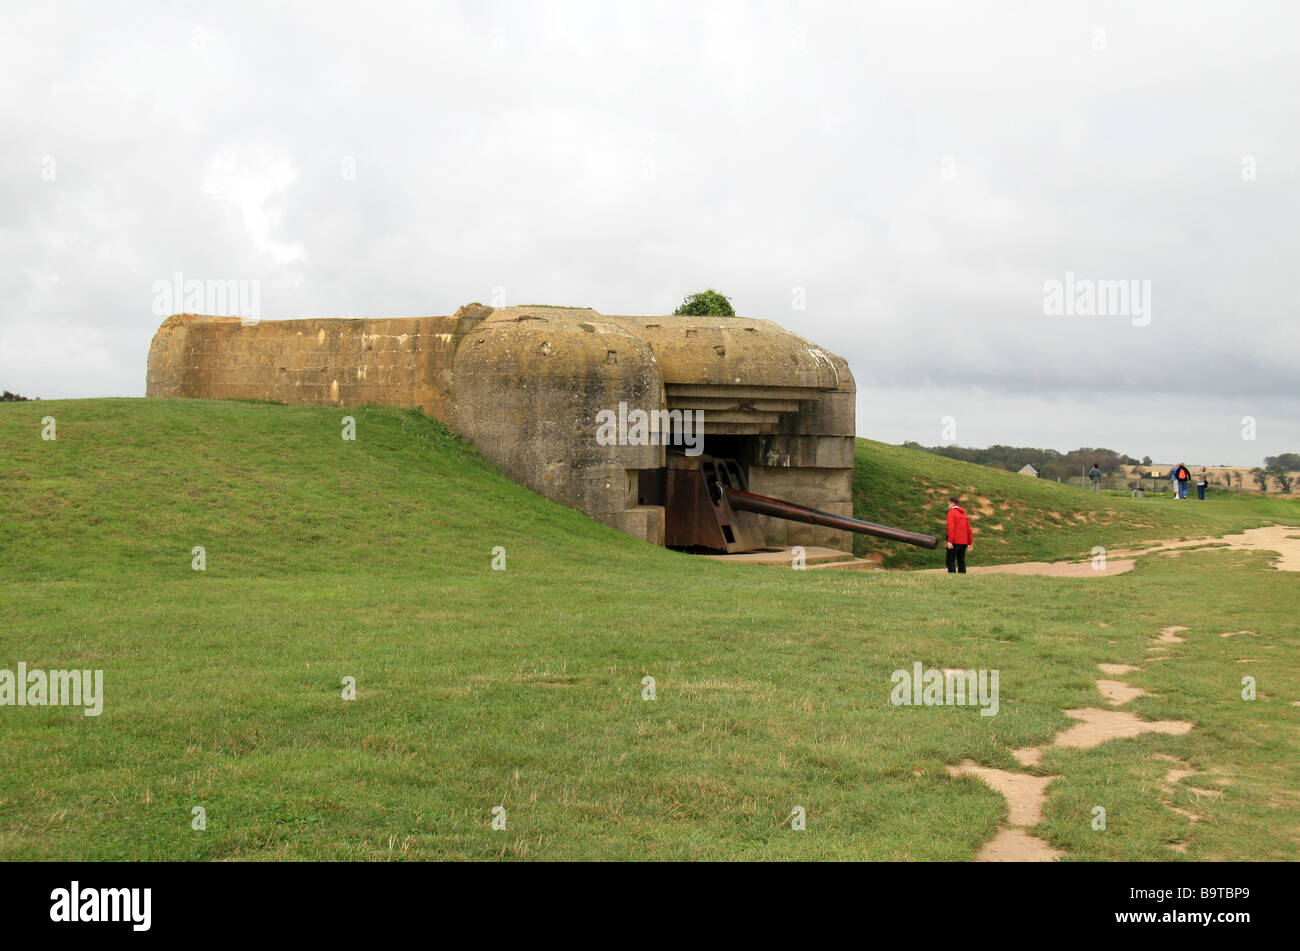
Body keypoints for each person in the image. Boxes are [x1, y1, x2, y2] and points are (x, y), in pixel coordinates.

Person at [945, 496, 973, 573]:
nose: (948, 506)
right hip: (964, 542)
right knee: (961, 561)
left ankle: (952, 576)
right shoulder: (964, 514)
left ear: (952, 503)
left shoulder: (951, 513)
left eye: (949, 504)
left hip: (954, 541)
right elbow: (969, 530)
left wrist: (949, 541)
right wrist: (970, 543)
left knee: (950, 560)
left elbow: (951, 528)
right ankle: (962, 576)